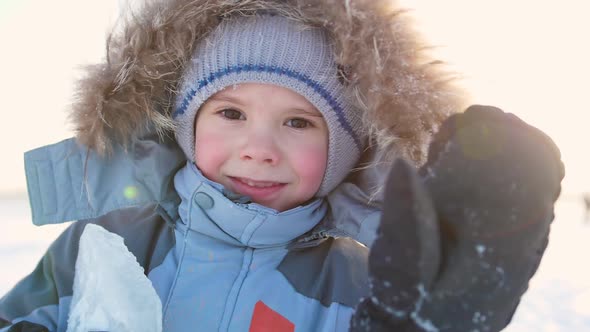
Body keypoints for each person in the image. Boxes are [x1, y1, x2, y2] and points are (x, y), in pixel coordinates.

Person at [0, 0, 563, 331]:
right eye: (230, 113)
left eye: (298, 122)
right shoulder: (108, 241)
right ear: (188, 125)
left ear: (343, 150)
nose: (259, 148)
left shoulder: (356, 285)